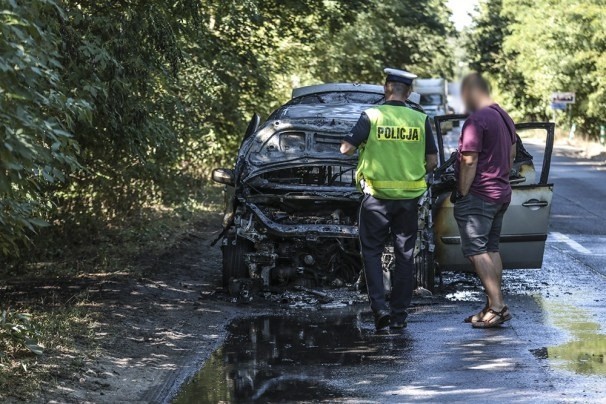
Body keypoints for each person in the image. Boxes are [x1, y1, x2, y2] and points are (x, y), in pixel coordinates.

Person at [341, 68, 438, 331]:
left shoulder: (372, 116)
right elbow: (432, 162)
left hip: (376, 198)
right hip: (408, 200)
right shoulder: (420, 119)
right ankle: (399, 316)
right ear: (408, 93)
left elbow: (345, 148)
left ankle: (379, 309)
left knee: (371, 252)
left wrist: (363, 145)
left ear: (386, 88)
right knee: (405, 256)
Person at [452, 72, 517, 328]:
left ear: (470, 92)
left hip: (479, 195)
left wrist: (463, 192)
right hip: (500, 193)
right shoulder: (503, 116)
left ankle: (499, 307)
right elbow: (512, 155)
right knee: (491, 249)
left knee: (476, 251)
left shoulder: (476, 120)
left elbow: (469, 159)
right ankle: (492, 305)